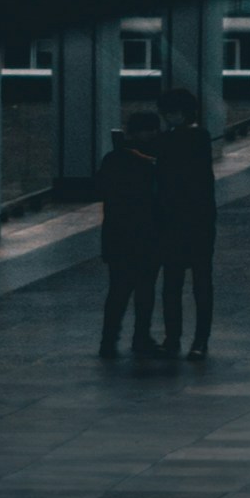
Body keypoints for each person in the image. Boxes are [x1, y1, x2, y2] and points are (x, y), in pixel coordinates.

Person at [154, 88, 218, 361]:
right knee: (198, 283)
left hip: (181, 220)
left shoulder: (187, 138)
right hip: (196, 220)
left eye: (173, 112)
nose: (170, 117)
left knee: (175, 283)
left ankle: (175, 338)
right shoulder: (197, 137)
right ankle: (197, 340)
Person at [94, 105, 162, 360]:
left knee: (118, 290)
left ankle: (109, 339)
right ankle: (140, 337)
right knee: (144, 289)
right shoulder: (152, 162)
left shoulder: (114, 159)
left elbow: (100, 189)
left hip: (117, 235)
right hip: (146, 234)